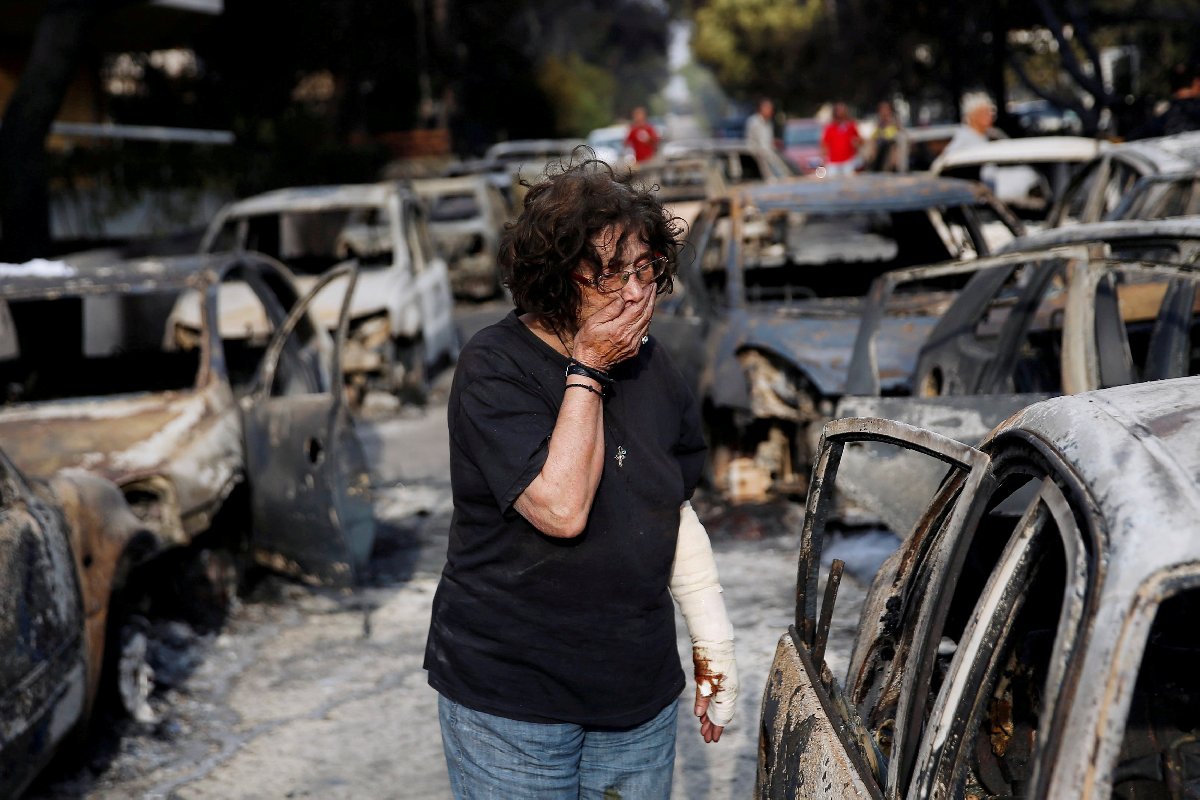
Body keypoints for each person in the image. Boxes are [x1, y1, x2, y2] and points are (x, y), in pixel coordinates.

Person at [424, 155, 739, 799]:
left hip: (635, 703)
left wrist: (715, 645)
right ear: (554, 276)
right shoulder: (494, 366)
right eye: (609, 271)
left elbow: (671, 512)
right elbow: (560, 509)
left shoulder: (655, 369)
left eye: (645, 268)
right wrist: (588, 367)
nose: (632, 291)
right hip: (512, 704)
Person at [821, 102, 861, 175]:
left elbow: (859, 140)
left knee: (848, 184)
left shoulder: (850, 126)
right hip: (833, 162)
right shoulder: (830, 127)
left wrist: (856, 144)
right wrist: (824, 158)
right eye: (839, 110)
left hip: (848, 161)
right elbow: (824, 144)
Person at [867, 100, 906, 172]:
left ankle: (893, 167)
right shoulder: (879, 123)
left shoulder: (894, 121)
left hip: (891, 142)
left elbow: (901, 133)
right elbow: (873, 135)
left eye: (886, 109)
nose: (884, 111)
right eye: (882, 109)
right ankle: (872, 165)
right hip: (880, 143)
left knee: (892, 146)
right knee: (873, 145)